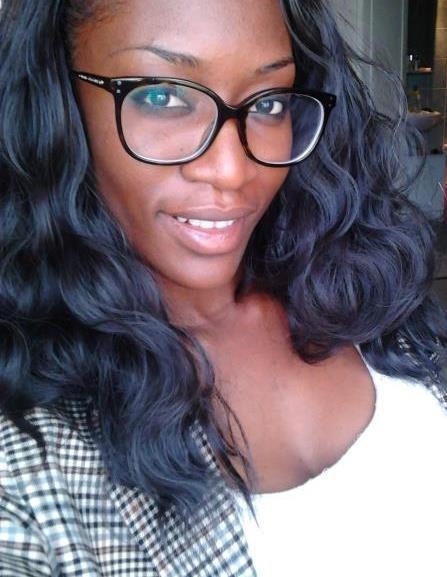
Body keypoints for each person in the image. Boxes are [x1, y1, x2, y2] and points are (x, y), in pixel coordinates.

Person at [0, 0, 446, 575]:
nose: (233, 170)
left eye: (269, 102)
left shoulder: (355, 278)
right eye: (163, 96)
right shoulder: (25, 457)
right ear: (59, 103)